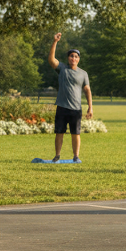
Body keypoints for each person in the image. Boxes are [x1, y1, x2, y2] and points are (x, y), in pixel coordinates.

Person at [46, 32, 93, 162]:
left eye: (76, 56)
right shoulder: (62, 69)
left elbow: (87, 90)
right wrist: (55, 41)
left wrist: (90, 107)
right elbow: (51, 59)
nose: (73, 58)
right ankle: (57, 156)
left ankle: (76, 156)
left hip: (76, 109)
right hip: (62, 107)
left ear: (78, 59)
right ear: (68, 58)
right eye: (71, 56)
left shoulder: (83, 74)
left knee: (75, 134)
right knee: (59, 132)